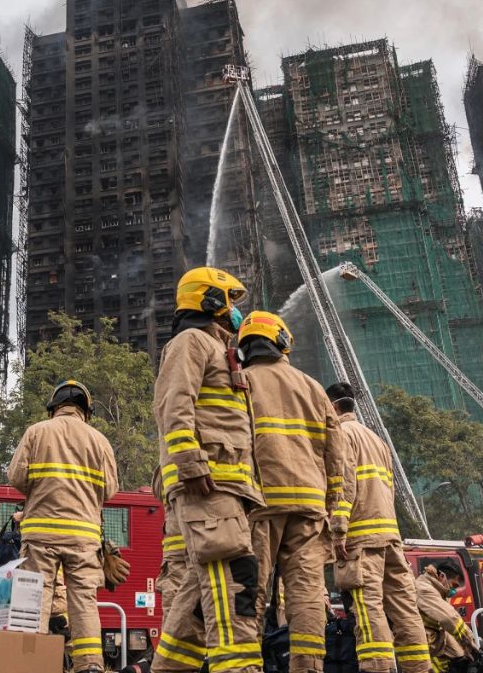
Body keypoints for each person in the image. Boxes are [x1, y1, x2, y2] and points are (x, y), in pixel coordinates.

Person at [153, 267, 264, 673]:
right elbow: (173, 405)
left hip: (228, 487)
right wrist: (192, 463)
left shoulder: (220, 350)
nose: (236, 312)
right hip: (209, 485)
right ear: (211, 301)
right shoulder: (191, 341)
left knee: (196, 598)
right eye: (230, 301)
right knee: (231, 582)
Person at [236, 311, 339, 673]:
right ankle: (307, 667)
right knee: (307, 596)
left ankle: (246, 666)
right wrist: (333, 507)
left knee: (251, 592)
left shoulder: (238, 382)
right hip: (310, 508)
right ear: (282, 342)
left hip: (259, 505)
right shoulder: (312, 387)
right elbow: (335, 455)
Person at [8, 381, 119, 673]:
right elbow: (110, 490)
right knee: (83, 602)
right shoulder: (100, 441)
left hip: (41, 535)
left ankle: (30, 664)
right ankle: (90, 666)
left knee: (35, 597)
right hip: (83, 537)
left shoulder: (36, 432)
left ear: (53, 407)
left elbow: (16, 478)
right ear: (86, 410)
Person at [328, 382, 430, 673]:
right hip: (390, 538)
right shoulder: (377, 440)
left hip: (360, 539)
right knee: (405, 611)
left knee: (368, 609)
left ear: (334, 407)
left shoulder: (342, 434)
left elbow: (343, 484)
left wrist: (338, 528)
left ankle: (377, 668)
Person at [151, 466, 207, 670]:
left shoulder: (179, 451)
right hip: (212, 544)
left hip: (179, 559)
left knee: (175, 622)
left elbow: (159, 487)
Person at [413, 560, 474, 673]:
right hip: (420, 638)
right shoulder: (425, 589)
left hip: (434, 635)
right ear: (442, 576)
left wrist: (466, 650)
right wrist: (473, 645)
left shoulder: (439, 590)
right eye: (454, 585)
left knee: (459, 656)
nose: (454, 590)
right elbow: (449, 619)